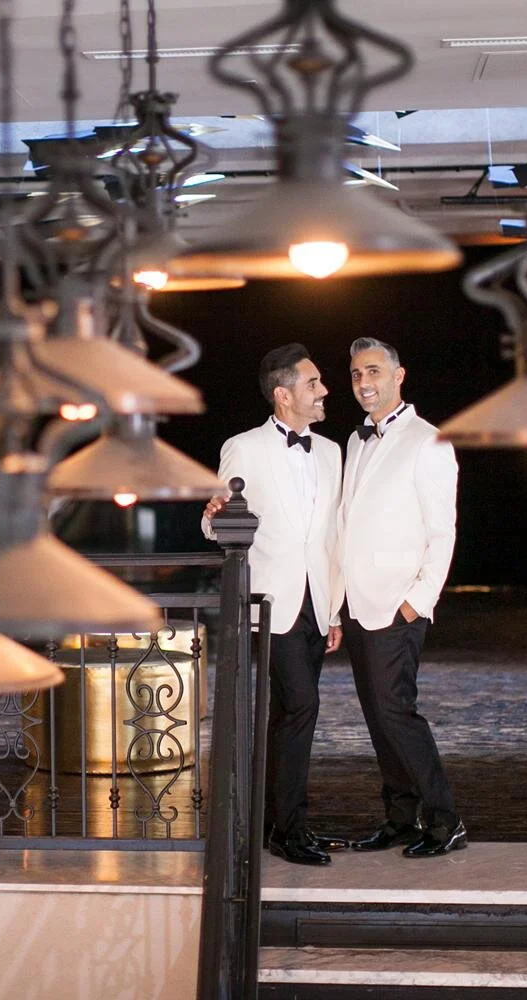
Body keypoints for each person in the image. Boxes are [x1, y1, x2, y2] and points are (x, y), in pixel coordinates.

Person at [203, 343, 345, 866]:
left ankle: (270, 824)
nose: (324, 391)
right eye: (313, 384)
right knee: (302, 707)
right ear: (284, 395)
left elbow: (330, 537)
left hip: (316, 603)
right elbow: (216, 523)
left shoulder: (330, 451)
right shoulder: (243, 447)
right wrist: (214, 514)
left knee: (289, 712)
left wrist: (333, 610)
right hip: (270, 603)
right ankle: (291, 830)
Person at [336, 337, 466, 858]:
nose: (363, 382)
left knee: (397, 713)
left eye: (373, 371)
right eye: (355, 374)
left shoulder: (428, 441)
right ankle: (401, 817)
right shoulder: (355, 440)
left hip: (397, 605)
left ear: (398, 375)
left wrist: (417, 601)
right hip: (358, 603)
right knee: (377, 715)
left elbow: (443, 532)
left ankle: (445, 820)